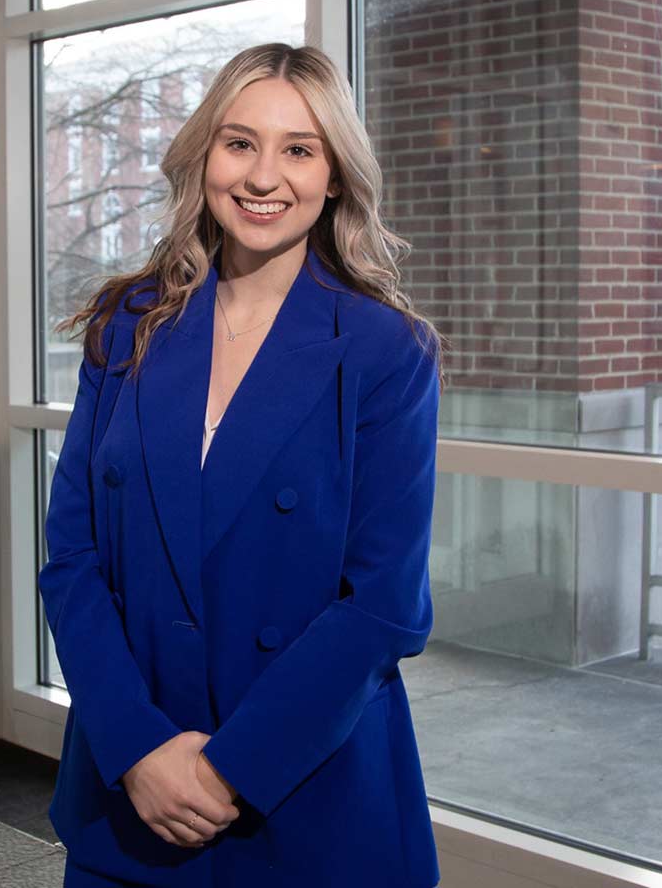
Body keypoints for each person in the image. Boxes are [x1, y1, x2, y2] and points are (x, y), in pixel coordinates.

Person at [39, 43, 445, 887]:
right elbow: (72, 559)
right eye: (240, 143)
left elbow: (383, 607)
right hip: (130, 780)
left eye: (299, 149)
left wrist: (231, 772)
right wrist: (138, 747)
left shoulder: (384, 351)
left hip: (305, 790)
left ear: (335, 175)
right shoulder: (128, 323)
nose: (264, 176)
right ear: (204, 157)